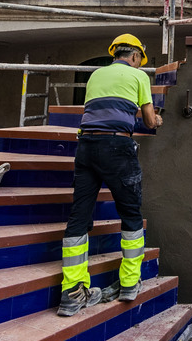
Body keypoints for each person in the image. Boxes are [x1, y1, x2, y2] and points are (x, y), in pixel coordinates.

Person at [59, 34, 162, 316]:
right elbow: (150, 121)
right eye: (140, 59)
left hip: (86, 147)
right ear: (135, 57)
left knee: (79, 216)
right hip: (117, 146)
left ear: (114, 54)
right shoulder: (138, 76)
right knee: (130, 214)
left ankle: (72, 293)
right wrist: (158, 119)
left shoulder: (95, 76)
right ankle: (129, 283)